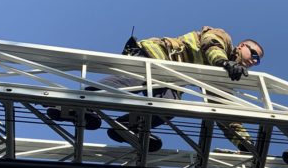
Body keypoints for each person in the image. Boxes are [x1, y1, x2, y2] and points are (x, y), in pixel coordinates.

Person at [46, 27, 264, 152]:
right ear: (241, 46)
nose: (254, 61)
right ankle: (71, 104)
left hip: (170, 77)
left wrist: (244, 143)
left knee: (170, 105)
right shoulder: (222, 39)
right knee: (130, 81)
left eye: (258, 61)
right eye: (254, 54)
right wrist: (223, 63)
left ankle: (128, 125)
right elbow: (211, 44)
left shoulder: (222, 74)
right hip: (157, 55)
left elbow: (224, 111)